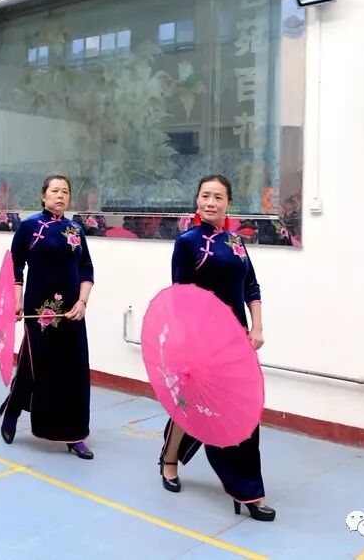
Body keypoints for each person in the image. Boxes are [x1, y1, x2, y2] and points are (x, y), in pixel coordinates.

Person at [158, 174, 275, 521]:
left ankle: (247, 489)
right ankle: (170, 459)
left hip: (236, 340)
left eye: (218, 197)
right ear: (197, 200)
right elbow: (180, 296)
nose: (211, 202)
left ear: (228, 203)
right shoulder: (187, 242)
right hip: (202, 341)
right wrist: (186, 342)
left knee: (244, 411)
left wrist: (257, 326)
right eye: (205, 196)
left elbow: (251, 286)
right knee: (189, 404)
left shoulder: (236, 242)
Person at [0, 175, 95, 460]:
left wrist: (82, 302)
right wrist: (16, 301)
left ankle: (75, 434)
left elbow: (87, 269)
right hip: (39, 311)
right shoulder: (29, 226)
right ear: (43, 195)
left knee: (73, 370)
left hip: (71, 312)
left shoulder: (75, 229)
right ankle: (13, 411)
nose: (60, 196)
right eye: (55, 191)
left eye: (65, 191)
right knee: (35, 366)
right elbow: (15, 266)